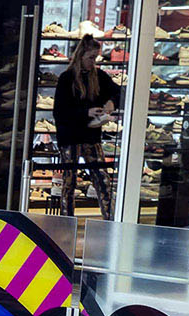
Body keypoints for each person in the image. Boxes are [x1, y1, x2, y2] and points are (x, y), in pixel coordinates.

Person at [52, 33, 118, 217]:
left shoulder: (100, 76)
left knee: (102, 179)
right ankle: (67, 221)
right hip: (71, 135)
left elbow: (117, 91)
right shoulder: (66, 79)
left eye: (95, 58)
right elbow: (59, 112)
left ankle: (110, 218)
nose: (93, 62)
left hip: (89, 135)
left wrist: (111, 102)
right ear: (81, 55)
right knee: (69, 183)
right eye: (90, 58)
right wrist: (86, 113)